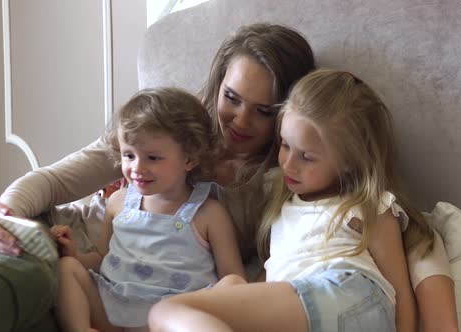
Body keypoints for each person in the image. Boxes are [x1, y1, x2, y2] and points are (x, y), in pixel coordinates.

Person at [0, 23, 456, 331]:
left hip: (186, 297)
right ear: (216, 84)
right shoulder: (170, 131)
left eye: (263, 111)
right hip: (81, 243)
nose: (240, 122)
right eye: (231, 97)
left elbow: (395, 234)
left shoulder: (285, 185)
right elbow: (64, 177)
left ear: (288, 115)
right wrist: (6, 207)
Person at [148, 69, 433, 332]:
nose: (289, 164)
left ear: (350, 161)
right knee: (229, 285)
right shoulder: (281, 201)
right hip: (308, 310)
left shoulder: (367, 204)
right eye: (284, 145)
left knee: (167, 311)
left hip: (348, 294)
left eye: (307, 157)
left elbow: (400, 291)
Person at [49, 87, 246, 331]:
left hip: (173, 317)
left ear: (189, 159)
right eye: (129, 156)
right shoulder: (118, 202)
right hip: (113, 307)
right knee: (67, 269)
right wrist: (74, 255)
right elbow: (102, 258)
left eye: (153, 158)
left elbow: (232, 278)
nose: (137, 168)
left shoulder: (208, 213)